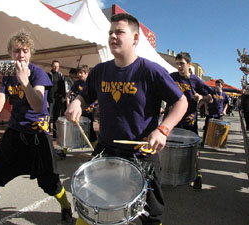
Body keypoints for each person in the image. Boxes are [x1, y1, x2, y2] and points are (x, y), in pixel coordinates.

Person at [65, 13, 188, 225]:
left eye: (119, 32)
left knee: (151, 215)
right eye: (110, 32)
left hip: (141, 154)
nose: (113, 36)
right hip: (106, 149)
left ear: (135, 38)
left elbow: (181, 102)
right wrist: (77, 102)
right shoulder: (100, 71)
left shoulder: (150, 71)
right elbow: (85, 95)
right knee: (90, 203)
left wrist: (163, 129)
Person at [0, 30, 72, 225]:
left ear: (30, 53)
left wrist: (24, 80)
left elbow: (38, 105)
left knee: (49, 182)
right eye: (16, 51)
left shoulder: (37, 74)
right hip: (15, 133)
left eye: (25, 51)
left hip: (37, 134)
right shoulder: (9, 75)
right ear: (11, 53)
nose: (21, 55)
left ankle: (65, 206)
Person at [165, 52, 213, 190]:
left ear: (189, 64)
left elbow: (210, 97)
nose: (179, 67)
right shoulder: (171, 77)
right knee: (167, 146)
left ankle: (196, 174)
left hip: (189, 120)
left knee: (192, 148)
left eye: (182, 64)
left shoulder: (195, 80)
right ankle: (169, 173)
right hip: (172, 118)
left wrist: (201, 98)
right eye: (177, 64)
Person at [201, 79, 229, 145]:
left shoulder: (224, 94)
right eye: (216, 85)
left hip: (219, 114)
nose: (217, 86)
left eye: (219, 85)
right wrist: (206, 110)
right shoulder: (211, 92)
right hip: (210, 113)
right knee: (207, 128)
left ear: (222, 86)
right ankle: (203, 141)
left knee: (218, 130)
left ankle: (216, 142)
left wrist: (224, 110)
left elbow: (226, 103)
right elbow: (206, 101)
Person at [47, 60, 66, 138]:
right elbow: (46, 88)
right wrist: (46, 100)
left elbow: (63, 87)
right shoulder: (48, 75)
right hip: (50, 99)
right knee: (48, 116)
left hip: (58, 98)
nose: (56, 68)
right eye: (54, 66)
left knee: (56, 117)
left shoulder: (60, 75)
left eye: (57, 66)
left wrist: (63, 97)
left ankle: (55, 134)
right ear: (52, 66)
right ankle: (47, 132)